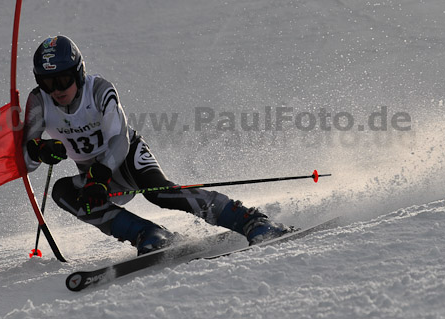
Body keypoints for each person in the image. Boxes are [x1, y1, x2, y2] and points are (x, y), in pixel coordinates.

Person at [23, 35, 290, 255]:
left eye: (63, 79)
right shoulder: (39, 102)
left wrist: (100, 175)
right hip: (93, 173)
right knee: (63, 192)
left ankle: (251, 220)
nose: (56, 89)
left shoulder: (99, 90)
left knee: (159, 192)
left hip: (126, 157)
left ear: (79, 72)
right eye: (47, 82)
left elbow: (119, 139)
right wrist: (41, 150)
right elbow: (27, 163)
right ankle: (148, 234)